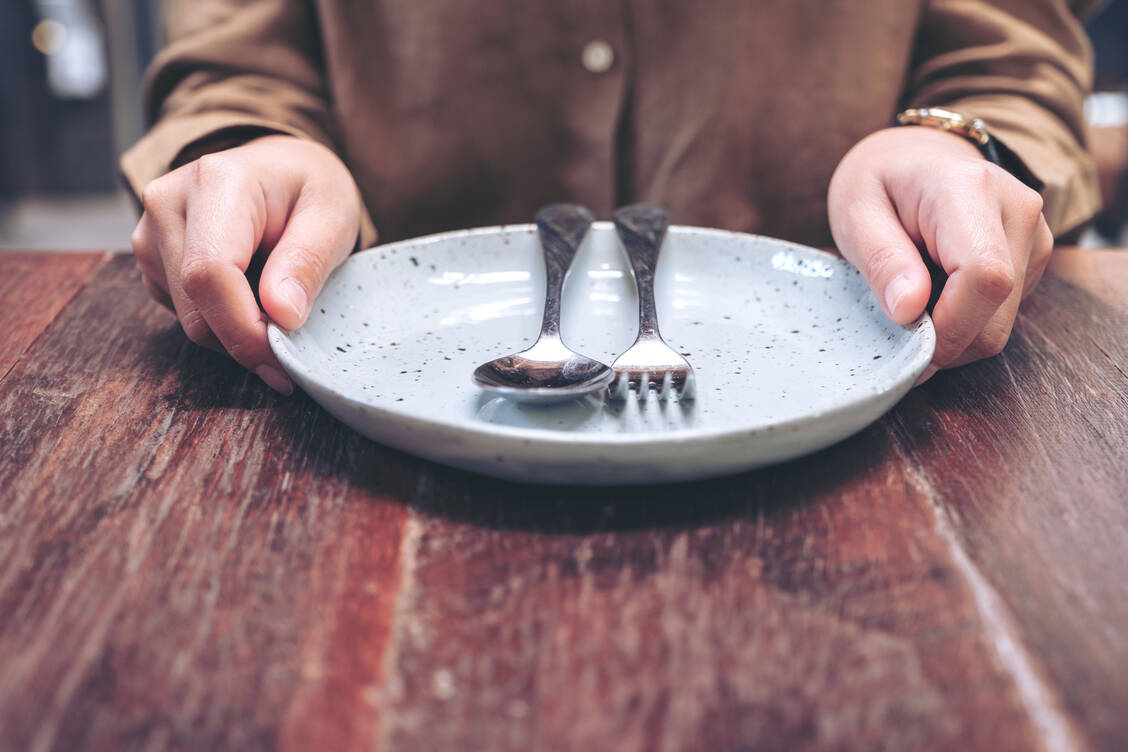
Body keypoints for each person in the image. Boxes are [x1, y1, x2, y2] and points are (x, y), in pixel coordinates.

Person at [123, 0, 1101, 395]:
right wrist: (256, 149)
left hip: (881, 384)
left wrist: (951, 143)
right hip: (351, 398)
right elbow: (236, 62)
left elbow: (1007, 55)